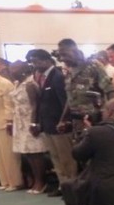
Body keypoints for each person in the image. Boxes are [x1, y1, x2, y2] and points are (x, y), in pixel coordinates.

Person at [27, 49, 77, 196]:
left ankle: (72, 186)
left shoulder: (57, 76)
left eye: (37, 61)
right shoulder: (41, 77)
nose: (35, 65)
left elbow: (65, 102)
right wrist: (39, 123)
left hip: (59, 125)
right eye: (33, 62)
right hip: (48, 125)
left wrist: (65, 121)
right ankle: (63, 185)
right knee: (55, 158)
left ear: (47, 60)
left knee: (67, 159)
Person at [56, 38, 114, 137]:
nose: (62, 59)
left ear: (75, 51)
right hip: (77, 122)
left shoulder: (93, 66)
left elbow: (110, 91)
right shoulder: (70, 71)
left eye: (65, 54)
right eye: (60, 55)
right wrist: (63, 120)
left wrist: (113, 118)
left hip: (95, 121)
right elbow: (70, 98)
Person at [9, 60, 48, 193]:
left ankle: (41, 182)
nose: (12, 72)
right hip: (20, 121)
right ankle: (34, 181)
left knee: (36, 153)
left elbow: (35, 104)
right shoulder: (16, 84)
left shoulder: (30, 84)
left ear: (23, 70)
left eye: (15, 69)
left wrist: (34, 123)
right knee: (27, 153)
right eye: (11, 69)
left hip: (30, 121)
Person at [0, 66, 23, 191]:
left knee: (8, 154)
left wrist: (9, 122)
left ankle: (15, 182)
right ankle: (5, 181)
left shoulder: (4, 83)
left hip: (5, 123)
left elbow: (10, 105)